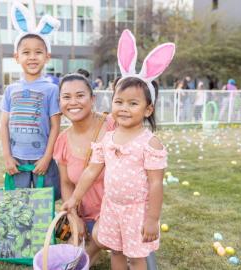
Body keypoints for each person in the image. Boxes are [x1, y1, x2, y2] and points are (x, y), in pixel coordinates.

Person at [62, 30, 174, 270]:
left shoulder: (149, 143)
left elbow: (155, 184)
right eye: (119, 102)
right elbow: (91, 171)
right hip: (111, 207)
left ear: (148, 109)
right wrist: (74, 199)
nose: (124, 108)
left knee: (136, 257)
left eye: (133, 103)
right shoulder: (108, 138)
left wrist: (152, 219)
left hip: (137, 211)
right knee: (116, 252)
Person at [0, 1, 61, 199]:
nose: (32, 57)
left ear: (47, 57)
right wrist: (8, 157)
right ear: (16, 57)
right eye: (26, 52)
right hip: (17, 161)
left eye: (38, 52)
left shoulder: (52, 90)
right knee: (19, 204)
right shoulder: (10, 90)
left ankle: (47, 232)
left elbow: (55, 127)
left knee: (44, 203)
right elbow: (4, 125)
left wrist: (47, 158)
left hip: (42, 160)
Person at [53, 73, 116, 266]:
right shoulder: (62, 140)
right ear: (60, 102)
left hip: (116, 210)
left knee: (95, 241)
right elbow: (65, 183)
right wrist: (74, 217)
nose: (73, 102)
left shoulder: (113, 126)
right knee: (72, 240)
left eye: (80, 95)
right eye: (66, 97)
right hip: (85, 212)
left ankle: (82, 258)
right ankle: (86, 253)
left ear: (92, 99)